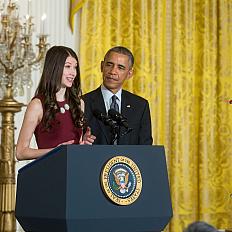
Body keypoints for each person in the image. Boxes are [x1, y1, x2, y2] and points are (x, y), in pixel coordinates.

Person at [16, 46, 95, 160]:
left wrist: (83, 144)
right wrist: (56, 151)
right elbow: (21, 152)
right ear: (54, 68)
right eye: (68, 66)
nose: (73, 73)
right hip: (51, 172)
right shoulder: (37, 105)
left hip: (75, 170)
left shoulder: (79, 103)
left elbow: (74, 148)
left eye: (75, 67)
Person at [82, 46, 153, 145]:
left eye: (120, 67)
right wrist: (81, 141)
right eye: (109, 65)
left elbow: (145, 147)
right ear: (102, 66)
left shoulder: (140, 106)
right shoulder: (83, 102)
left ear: (129, 74)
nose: (112, 71)